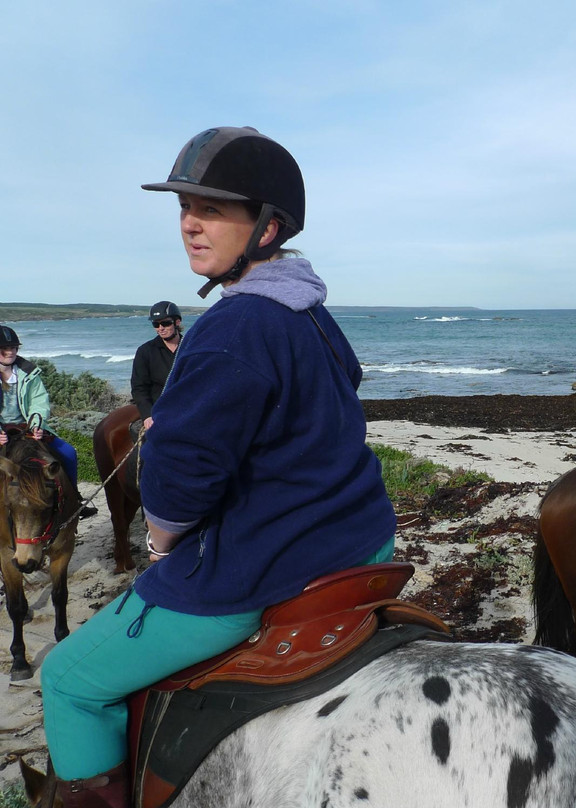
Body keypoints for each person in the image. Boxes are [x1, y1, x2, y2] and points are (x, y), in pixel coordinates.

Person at [40, 126, 397, 808]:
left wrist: (162, 538)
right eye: (183, 208)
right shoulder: (312, 312)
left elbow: (176, 485)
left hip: (262, 567)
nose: (190, 225)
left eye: (212, 209)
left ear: (268, 226)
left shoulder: (230, 329)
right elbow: (339, 394)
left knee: (67, 682)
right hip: (361, 541)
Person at [0, 325, 97, 517]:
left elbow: (39, 400)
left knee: (68, 453)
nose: (10, 351)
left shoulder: (28, 373)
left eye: (14, 347)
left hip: (26, 429)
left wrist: (36, 423)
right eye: (4, 348)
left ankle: (74, 500)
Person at [130, 301, 182, 430]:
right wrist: (147, 415)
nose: (160, 328)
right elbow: (139, 387)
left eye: (165, 323)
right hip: (159, 412)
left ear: (177, 322)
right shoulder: (145, 351)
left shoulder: (191, 348)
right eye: (156, 324)